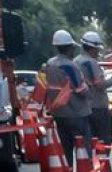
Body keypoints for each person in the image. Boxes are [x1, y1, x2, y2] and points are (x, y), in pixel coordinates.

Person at [43, 30, 93, 161]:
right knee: (83, 148)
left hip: (59, 113)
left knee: (65, 149)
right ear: (70, 48)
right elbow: (81, 90)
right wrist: (87, 86)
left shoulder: (49, 64)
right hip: (76, 113)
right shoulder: (69, 66)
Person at [79, 31, 112, 149]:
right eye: (97, 49)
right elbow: (100, 84)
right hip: (98, 106)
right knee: (103, 139)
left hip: (82, 107)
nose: (98, 52)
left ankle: (90, 162)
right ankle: (103, 164)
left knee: (89, 139)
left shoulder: (76, 61)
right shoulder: (91, 63)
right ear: (92, 48)